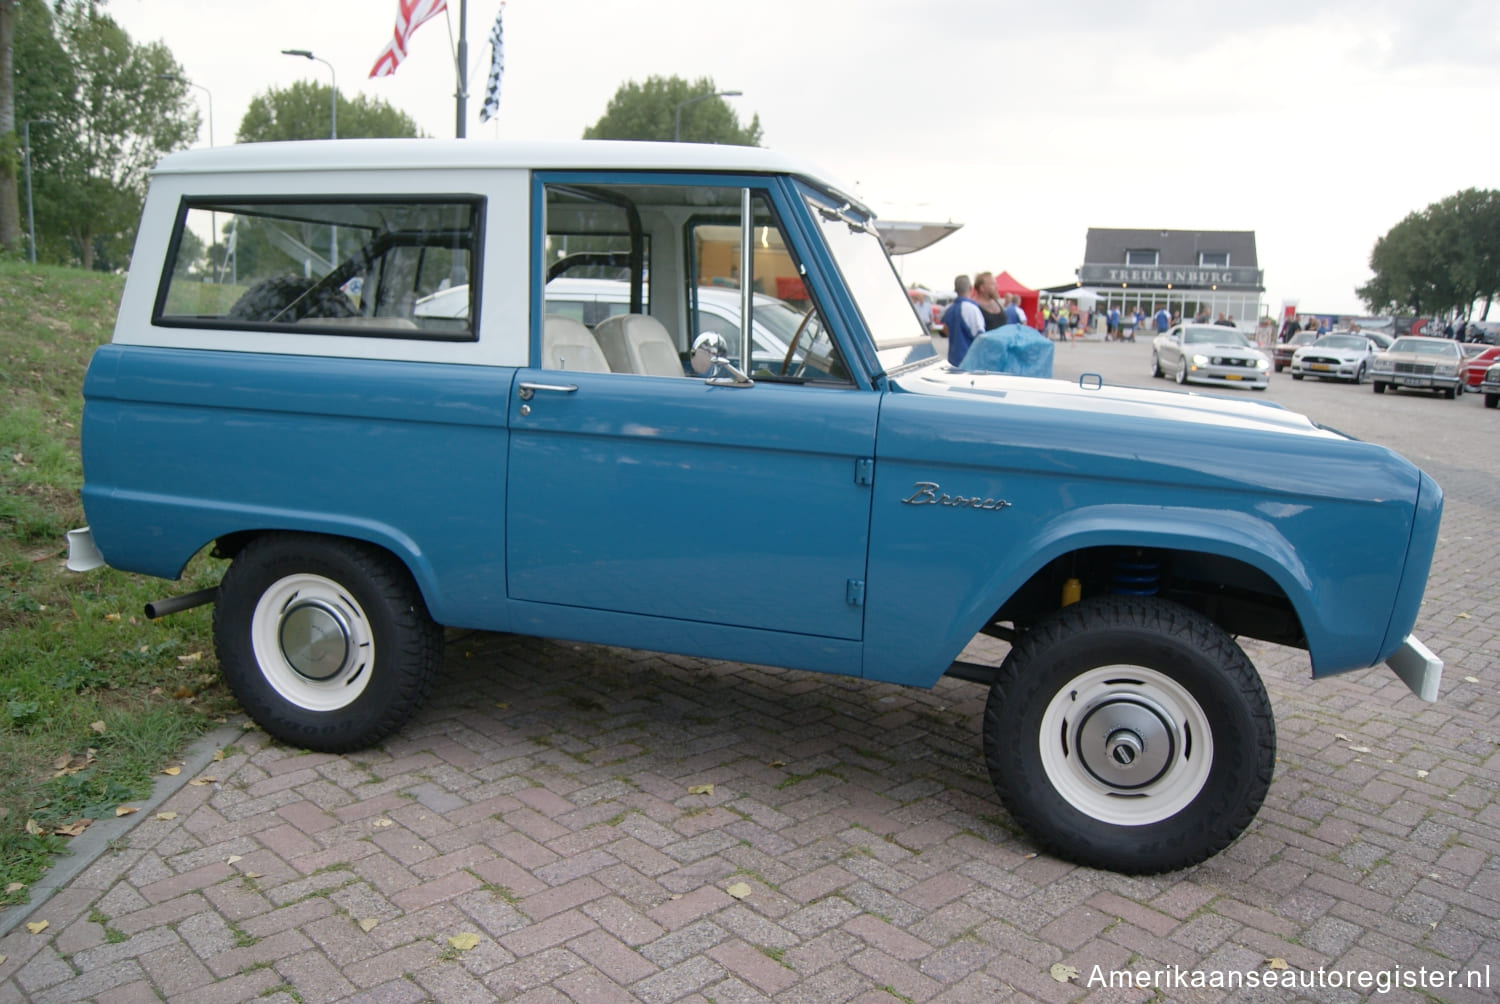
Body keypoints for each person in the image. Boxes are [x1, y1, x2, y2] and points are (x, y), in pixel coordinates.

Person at [940, 274, 985, 365]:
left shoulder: (948, 310)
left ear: (955, 290)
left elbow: (943, 332)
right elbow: (980, 338)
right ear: (971, 289)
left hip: (952, 361)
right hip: (969, 363)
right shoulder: (972, 309)